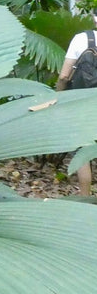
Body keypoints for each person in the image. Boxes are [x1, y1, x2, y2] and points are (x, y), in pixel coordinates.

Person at [55, 11, 97, 196]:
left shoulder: (82, 39)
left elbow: (64, 76)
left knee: (84, 149)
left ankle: (86, 197)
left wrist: (59, 97)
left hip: (82, 103)